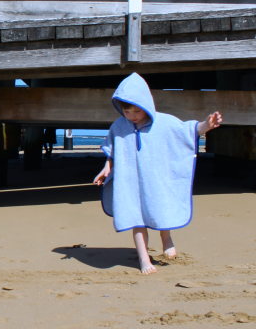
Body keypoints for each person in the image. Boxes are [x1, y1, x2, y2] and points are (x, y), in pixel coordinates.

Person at [93, 73, 223, 275]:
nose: (133, 115)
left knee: (159, 209)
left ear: (146, 104)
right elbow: (112, 150)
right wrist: (107, 167)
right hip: (130, 182)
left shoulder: (163, 122)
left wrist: (206, 125)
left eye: (137, 110)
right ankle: (144, 258)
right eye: (127, 111)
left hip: (155, 179)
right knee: (136, 218)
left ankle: (166, 239)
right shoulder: (118, 126)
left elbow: (187, 130)